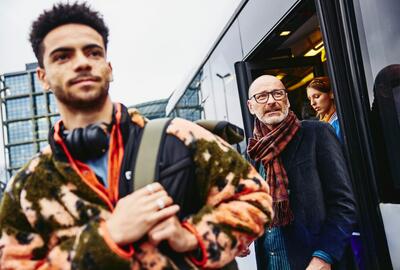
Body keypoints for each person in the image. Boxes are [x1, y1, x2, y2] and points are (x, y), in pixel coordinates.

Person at [0, 3, 273, 269]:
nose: (82, 63)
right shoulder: (27, 187)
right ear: (43, 77)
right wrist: (108, 238)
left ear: (109, 68)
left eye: (93, 52)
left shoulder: (180, 137)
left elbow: (256, 198)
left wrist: (192, 236)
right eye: (63, 56)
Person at [246, 75, 356, 269]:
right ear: (251, 106)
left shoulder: (317, 133)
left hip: (315, 263)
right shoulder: (253, 153)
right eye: (262, 96)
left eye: (277, 93)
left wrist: (325, 256)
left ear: (286, 100)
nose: (271, 101)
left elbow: (344, 204)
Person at [306, 77, 343, 142]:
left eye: (316, 96)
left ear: (331, 94)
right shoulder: (323, 123)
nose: (312, 103)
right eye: (310, 99)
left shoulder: (338, 123)